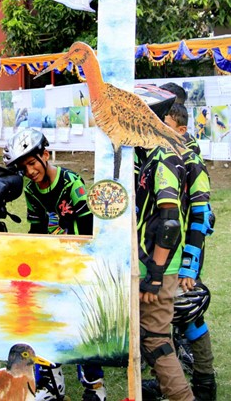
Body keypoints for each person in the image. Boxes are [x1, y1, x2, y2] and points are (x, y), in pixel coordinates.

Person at [3, 128, 105, 401]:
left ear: (45, 155)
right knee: (47, 322)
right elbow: (36, 229)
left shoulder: (72, 183)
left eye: (32, 163)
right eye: (24, 168)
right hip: (50, 267)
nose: (30, 171)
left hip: (79, 265)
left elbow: (88, 227)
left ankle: (95, 386)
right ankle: (50, 382)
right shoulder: (31, 191)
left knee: (82, 327)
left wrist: (75, 256)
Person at [135, 92, 196, 401]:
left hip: (159, 265)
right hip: (151, 262)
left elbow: (169, 221)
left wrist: (156, 275)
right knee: (149, 336)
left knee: (156, 339)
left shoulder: (164, 158)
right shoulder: (155, 155)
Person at [165, 104, 216, 400]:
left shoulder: (192, 162)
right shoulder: (155, 156)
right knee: (159, 318)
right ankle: (168, 383)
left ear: (181, 129)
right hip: (157, 255)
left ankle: (205, 382)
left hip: (184, 253)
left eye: (165, 124)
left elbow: (201, 215)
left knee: (189, 312)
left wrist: (189, 265)